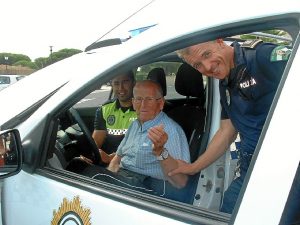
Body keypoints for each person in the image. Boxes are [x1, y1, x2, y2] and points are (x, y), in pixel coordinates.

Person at [169, 39, 295, 215]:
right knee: (229, 212)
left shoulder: (261, 56)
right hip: (251, 169)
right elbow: (226, 132)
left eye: (207, 54)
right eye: (198, 65)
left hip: (286, 169)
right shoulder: (224, 82)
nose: (207, 67)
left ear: (220, 43)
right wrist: (193, 167)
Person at [82, 80, 191, 202]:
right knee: (79, 166)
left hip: (149, 187)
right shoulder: (135, 124)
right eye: (138, 99)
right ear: (133, 103)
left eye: (149, 99)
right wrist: (110, 176)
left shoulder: (170, 130)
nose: (143, 105)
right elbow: (117, 158)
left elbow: (180, 181)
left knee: (94, 175)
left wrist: (161, 152)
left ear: (160, 103)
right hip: (124, 177)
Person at [92, 71, 137, 164]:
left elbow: (144, 148)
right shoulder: (105, 109)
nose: (121, 88)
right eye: (116, 83)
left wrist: (114, 159)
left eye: (125, 82)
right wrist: (90, 155)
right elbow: (96, 143)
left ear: (133, 83)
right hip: (109, 164)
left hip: (134, 164)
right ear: (112, 85)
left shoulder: (144, 108)